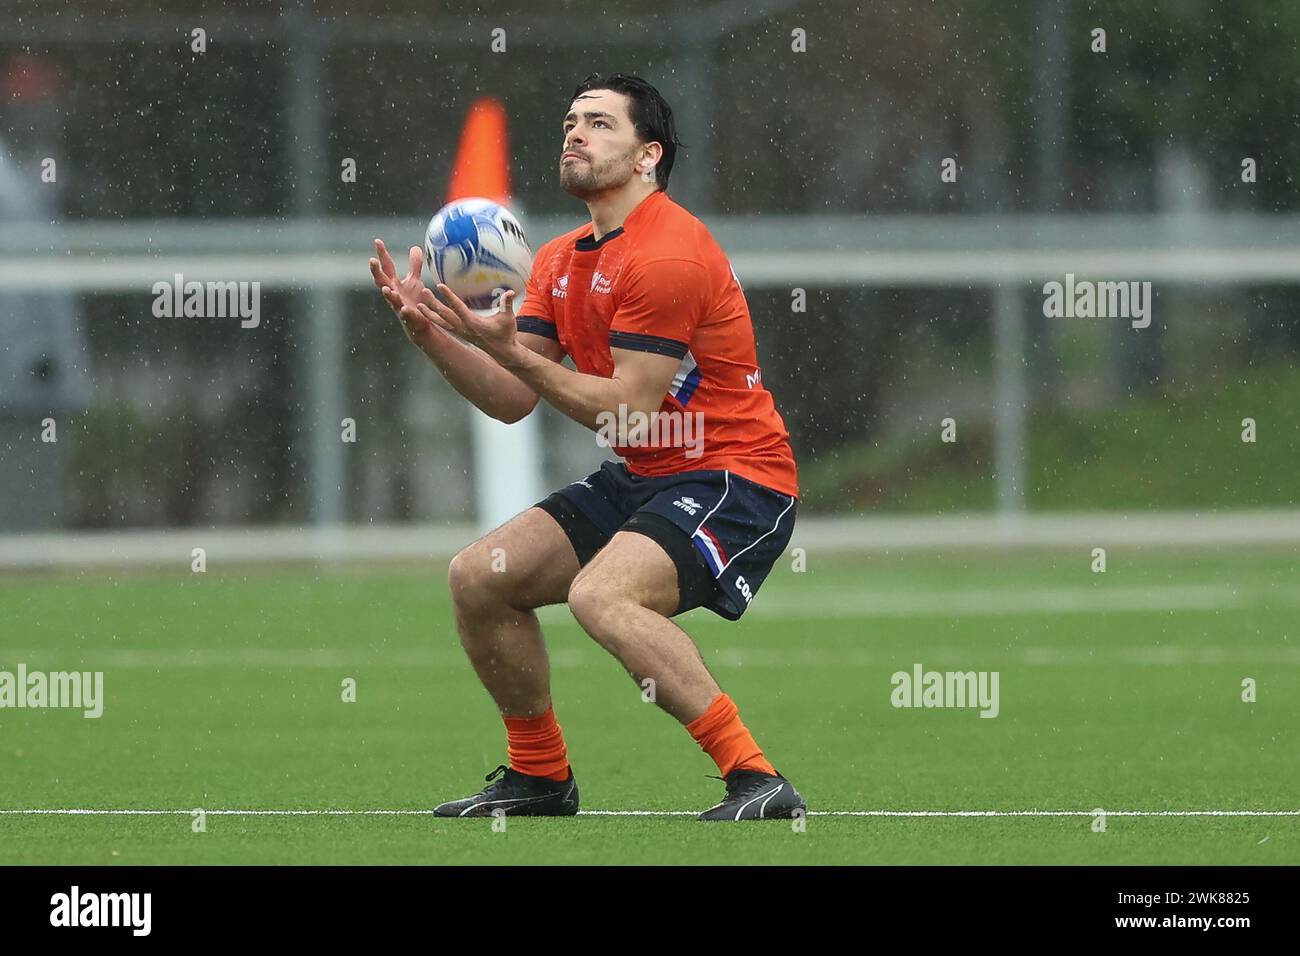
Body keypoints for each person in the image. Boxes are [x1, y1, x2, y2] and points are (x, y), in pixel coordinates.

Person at [369, 73, 804, 821]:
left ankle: (756, 778)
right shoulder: (562, 259)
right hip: (647, 474)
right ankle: (540, 777)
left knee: (601, 595)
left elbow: (630, 414)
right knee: (480, 578)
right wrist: (431, 335)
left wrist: (517, 356)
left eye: (600, 124)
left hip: (735, 475)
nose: (575, 133)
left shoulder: (668, 255)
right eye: (571, 121)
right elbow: (511, 398)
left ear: (647, 156)